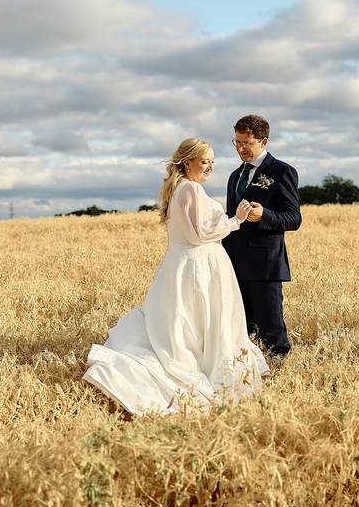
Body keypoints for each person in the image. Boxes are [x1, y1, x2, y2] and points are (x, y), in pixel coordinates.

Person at [83, 138, 270, 414]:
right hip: (198, 267)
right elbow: (198, 235)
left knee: (187, 324)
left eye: (213, 162)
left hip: (183, 266)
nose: (210, 167)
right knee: (201, 322)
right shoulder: (191, 189)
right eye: (204, 161)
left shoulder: (179, 189)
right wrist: (237, 219)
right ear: (187, 162)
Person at [222, 114, 301, 358]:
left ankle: (281, 373)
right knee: (241, 330)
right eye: (237, 142)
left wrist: (264, 215)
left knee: (272, 330)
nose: (241, 148)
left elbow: (293, 218)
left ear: (264, 142)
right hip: (234, 263)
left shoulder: (282, 171)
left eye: (247, 143)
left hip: (265, 266)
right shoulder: (235, 176)